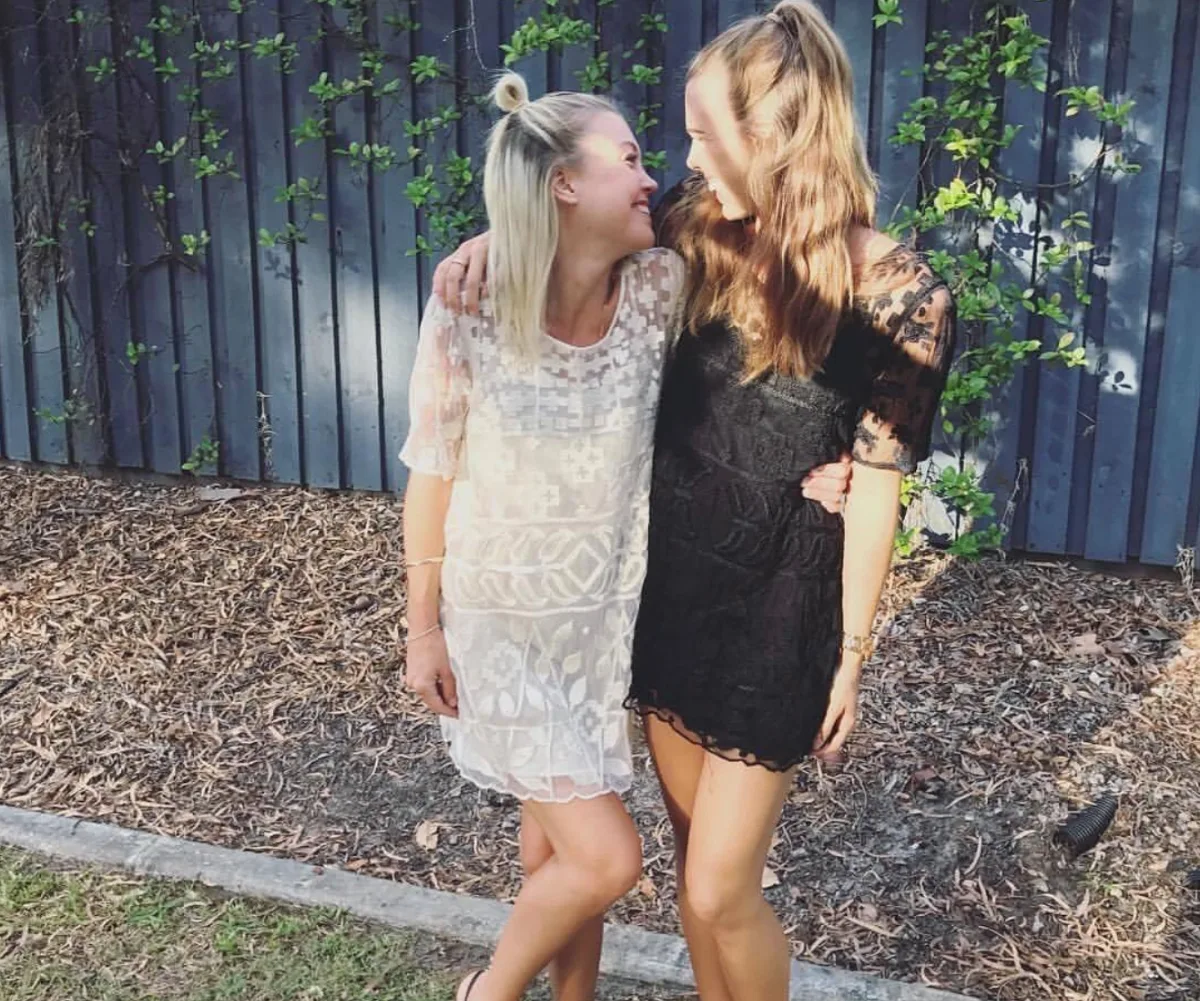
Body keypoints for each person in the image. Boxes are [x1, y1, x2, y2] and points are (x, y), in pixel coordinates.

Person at [434, 4, 957, 1000]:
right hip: (672, 582)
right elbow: (570, 225)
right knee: (687, 859)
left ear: (778, 140)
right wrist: (483, 243)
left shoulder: (902, 294)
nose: (686, 154)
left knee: (722, 887)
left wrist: (852, 650)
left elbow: (880, 476)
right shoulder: (692, 225)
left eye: (706, 134)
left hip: (782, 601)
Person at [401, 72, 686, 1001]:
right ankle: (488, 991)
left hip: (599, 620)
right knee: (607, 859)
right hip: (501, 621)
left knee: (552, 851)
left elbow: (743, 219)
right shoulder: (469, 308)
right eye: (630, 159)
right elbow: (432, 473)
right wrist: (423, 629)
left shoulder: (658, 289)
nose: (653, 178)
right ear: (563, 183)